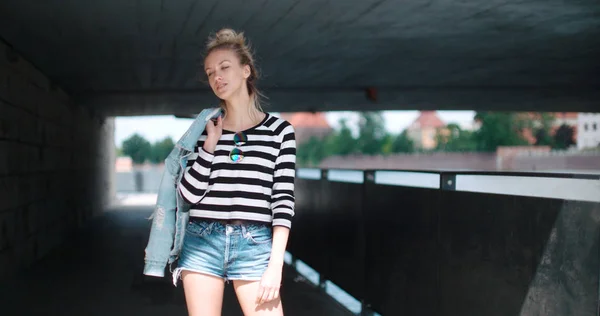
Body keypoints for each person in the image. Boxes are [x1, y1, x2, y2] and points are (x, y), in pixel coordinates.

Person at [173, 28, 296, 316]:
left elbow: (283, 201)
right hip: (202, 240)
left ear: (246, 71)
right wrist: (210, 147)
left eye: (225, 67)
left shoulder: (279, 132)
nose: (217, 76)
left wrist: (275, 265)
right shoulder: (204, 129)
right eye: (210, 72)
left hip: (255, 244)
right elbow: (187, 195)